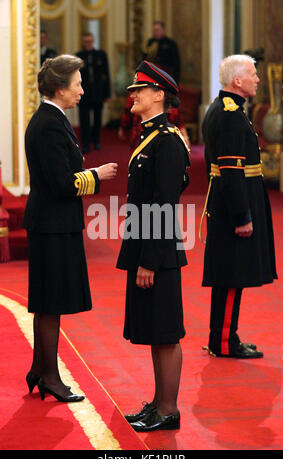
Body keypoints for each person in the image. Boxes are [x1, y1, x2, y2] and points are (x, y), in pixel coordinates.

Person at [23, 54, 118, 402]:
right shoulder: (48, 123)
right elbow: (62, 184)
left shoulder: (53, 118)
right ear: (60, 88)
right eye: (77, 83)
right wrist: (96, 176)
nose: (82, 89)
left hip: (54, 223)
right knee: (51, 302)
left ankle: (39, 369)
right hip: (52, 225)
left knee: (49, 302)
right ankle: (49, 376)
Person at [116, 60, 191, 431]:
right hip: (148, 244)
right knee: (154, 330)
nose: (133, 95)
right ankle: (159, 404)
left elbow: (163, 204)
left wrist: (148, 260)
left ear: (158, 95)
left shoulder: (166, 141)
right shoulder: (151, 136)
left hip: (158, 251)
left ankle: (168, 410)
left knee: (165, 331)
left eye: (139, 90)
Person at [200, 54, 277, 359]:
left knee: (230, 275)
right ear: (238, 81)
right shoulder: (230, 114)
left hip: (231, 198)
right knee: (232, 275)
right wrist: (243, 216)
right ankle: (223, 342)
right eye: (253, 74)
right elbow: (231, 170)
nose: (257, 78)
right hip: (235, 201)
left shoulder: (227, 108)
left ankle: (226, 336)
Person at [76, 33, 110, 152]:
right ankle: (85, 144)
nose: (88, 44)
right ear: (83, 42)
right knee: (84, 119)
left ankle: (96, 141)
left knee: (97, 118)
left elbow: (106, 75)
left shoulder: (101, 55)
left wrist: (107, 94)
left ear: (93, 41)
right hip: (83, 93)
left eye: (90, 41)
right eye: (86, 41)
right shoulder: (78, 56)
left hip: (98, 92)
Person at [118, 94, 190, 149]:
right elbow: (127, 114)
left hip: (161, 139)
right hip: (140, 137)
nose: (133, 94)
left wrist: (185, 137)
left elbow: (176, 119)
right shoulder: (134, 97)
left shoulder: (165, 97)